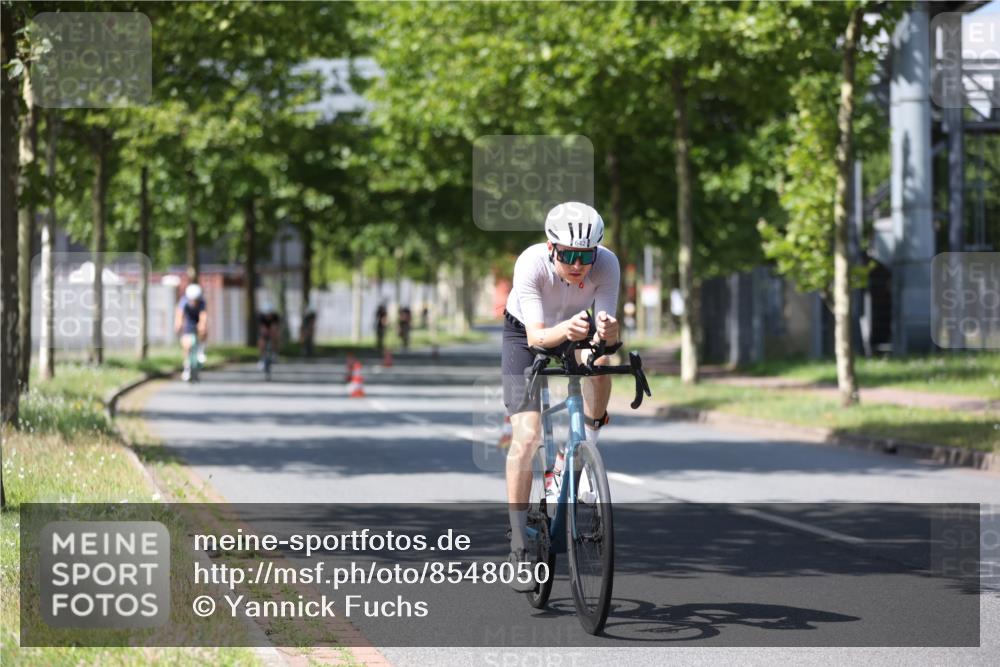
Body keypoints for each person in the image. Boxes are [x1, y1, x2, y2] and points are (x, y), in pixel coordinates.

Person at [501, 201, 620, 592]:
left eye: (585, 255)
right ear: (551, 248)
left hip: (575, 330)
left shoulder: (607, 264)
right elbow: (537, 337)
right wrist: (569, 330)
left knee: (602, 363)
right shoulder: (531, 263)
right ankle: (519, 544)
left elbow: (603, 335)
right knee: (527, 436)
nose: (577, 263)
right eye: (568, 254)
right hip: (525, 333)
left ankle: (585, 456)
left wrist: (608, 335)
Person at [175, 283, 208, 382]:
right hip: (189, 322)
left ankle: (201, 350)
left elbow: (203, 315)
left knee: (204, 329)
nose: (194, 301)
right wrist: (178, 325)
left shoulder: (202, 301)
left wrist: (202, 325)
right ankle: (187, 367)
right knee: (186, 344)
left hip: (197, 320)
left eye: (196, 299)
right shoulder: (183, 301)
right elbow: (179, 315)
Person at [258, 302, 281, 368]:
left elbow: (276, 327)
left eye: (270, 314)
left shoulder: (275, 317)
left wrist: (273, 333)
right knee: (261, 341)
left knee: (275, 336)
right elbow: (262, 328)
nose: (268, 316)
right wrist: (265, 333)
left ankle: (274, 354)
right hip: (265, 329)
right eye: (267, 315)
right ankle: (262, 357)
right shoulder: (261, 317)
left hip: (272, 329)